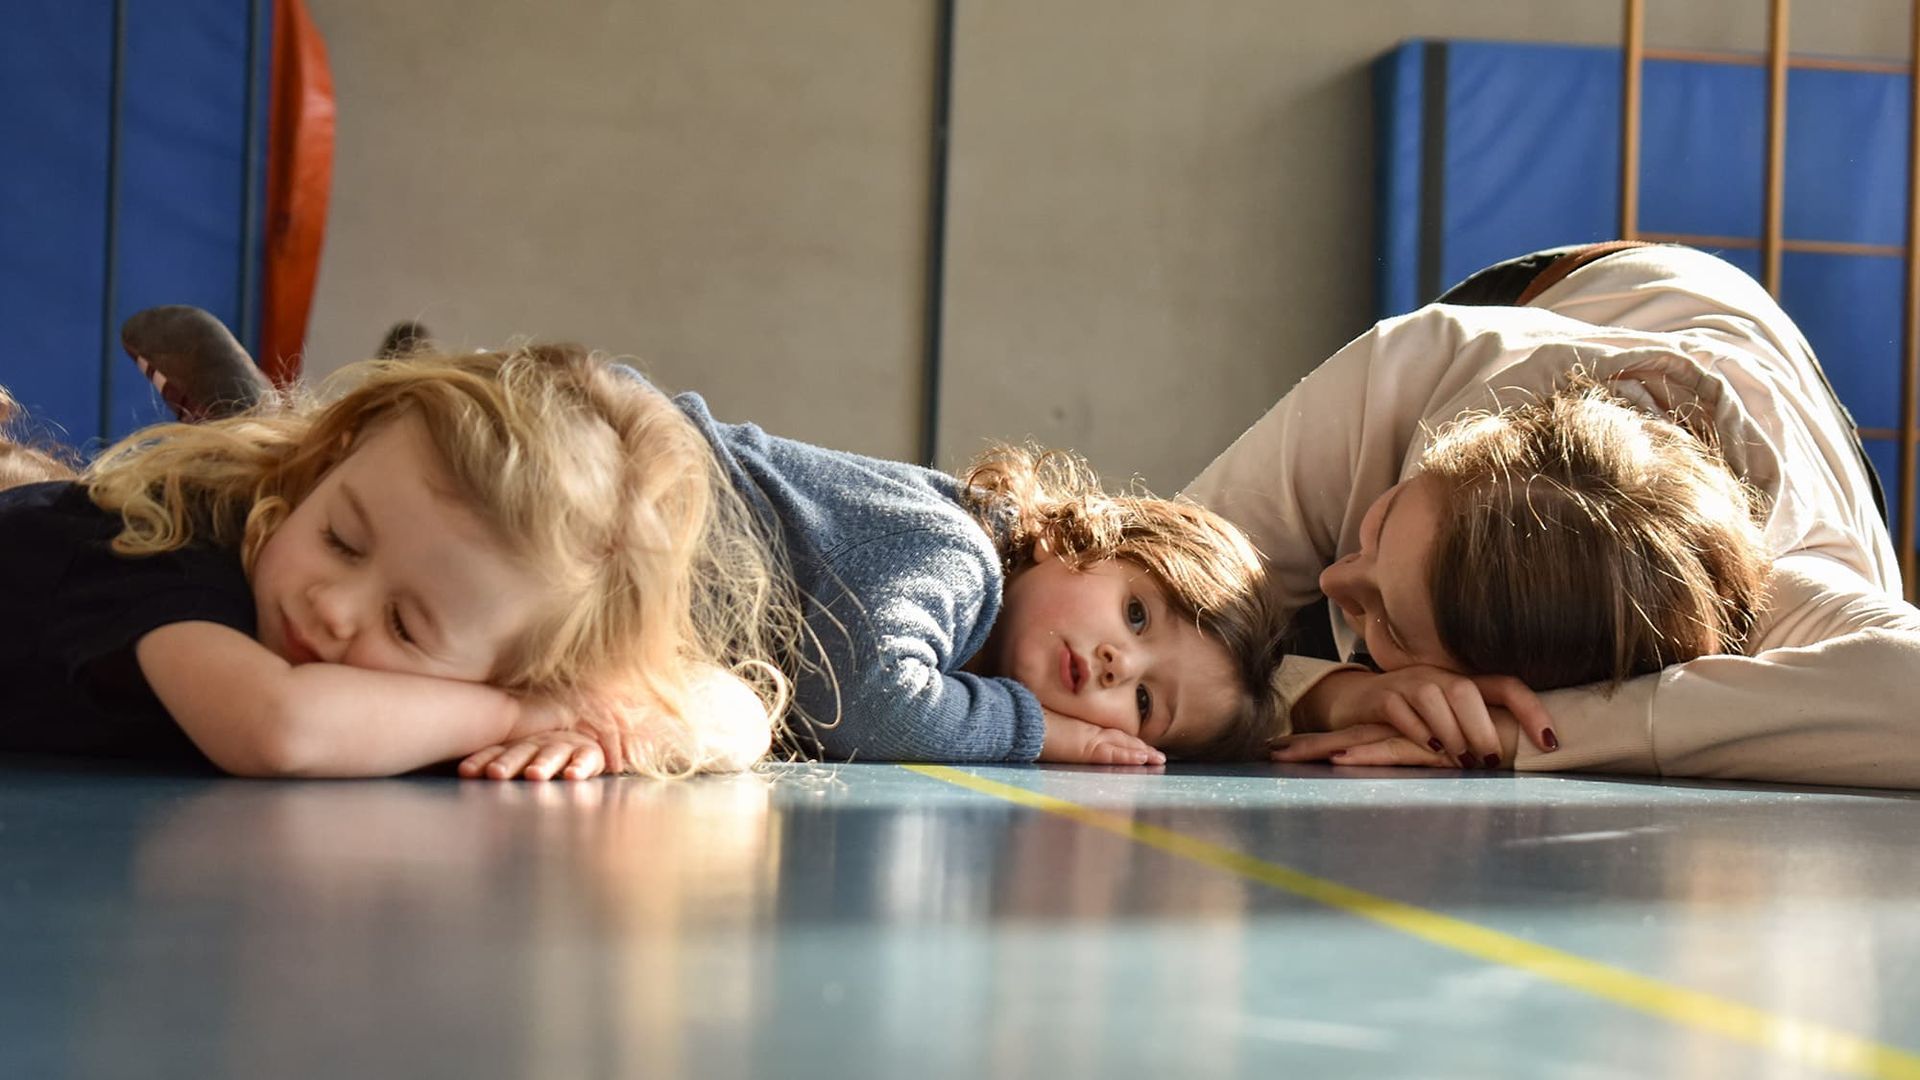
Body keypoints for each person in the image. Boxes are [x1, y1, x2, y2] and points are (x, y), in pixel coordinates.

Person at [120, 313, 1291, 766]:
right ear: (1086, 547)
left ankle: (269, 420)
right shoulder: (961, 555)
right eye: (1136, 617)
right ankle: (262, 423)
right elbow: (868, 701)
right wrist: (1041, 737)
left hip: (608, 582)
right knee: (288, 528)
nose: (1113, 669)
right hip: (603, 496)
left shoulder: (970, 626)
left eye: (1146, 706)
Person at [1184, 242, 1920, 789]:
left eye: (1390, 620)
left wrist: (1532, 734)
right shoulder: (1401, 376)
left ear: (1529, 677)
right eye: (1379, 528)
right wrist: (1332, 694)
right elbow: (1126, 589)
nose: (1337, 576)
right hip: (1591, 288)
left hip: (1784, 399)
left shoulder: (1792, 569)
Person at [0, 344, 797, 780]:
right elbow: (280, 728)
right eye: (341, 539)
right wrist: (531, 714)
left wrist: (620, 723)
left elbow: (735, 715)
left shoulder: (507, 625)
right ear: (332, 463)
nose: (333, 606)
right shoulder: (160, 546)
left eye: (405, 626)